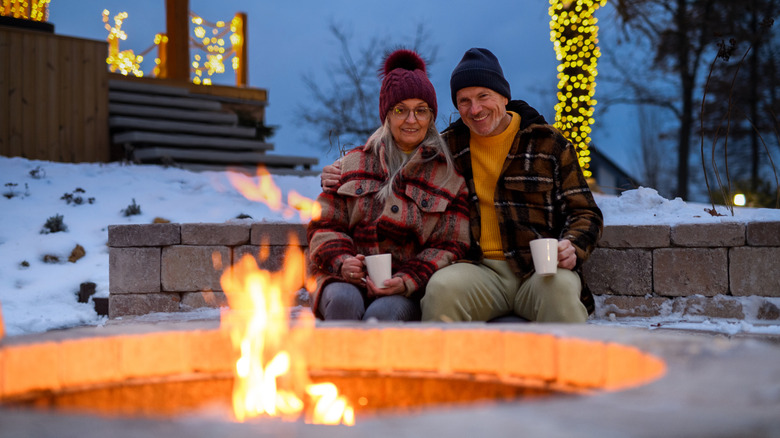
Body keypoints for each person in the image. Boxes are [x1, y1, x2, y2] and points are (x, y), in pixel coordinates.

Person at [321, 48, 603, 323]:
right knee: (442, 289)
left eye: (484, 96)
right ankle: (445, 368)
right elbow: (396, 162)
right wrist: (341, 171)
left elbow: (585, 213)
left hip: (538, 270)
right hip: (479, 271)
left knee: (561, 290)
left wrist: (572, 245)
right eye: (464, 101)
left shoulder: (548, 144)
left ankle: (568, 367)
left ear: (504, 96)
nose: (475, 109)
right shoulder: (449, 147)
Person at [307, 49, 471, 322]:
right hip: (345, 279)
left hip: (404, 289)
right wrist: (343, 261)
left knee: (383, 315)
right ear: (387, 115)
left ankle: (374, 367)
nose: (411, 120)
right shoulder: (354, 164)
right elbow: (325, 224)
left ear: (431, 117)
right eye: (401, 110)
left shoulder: (448, 176)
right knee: (344, 303)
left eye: (421, 110)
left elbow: (452, 244)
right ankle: (336, 365)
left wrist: (408, 279)